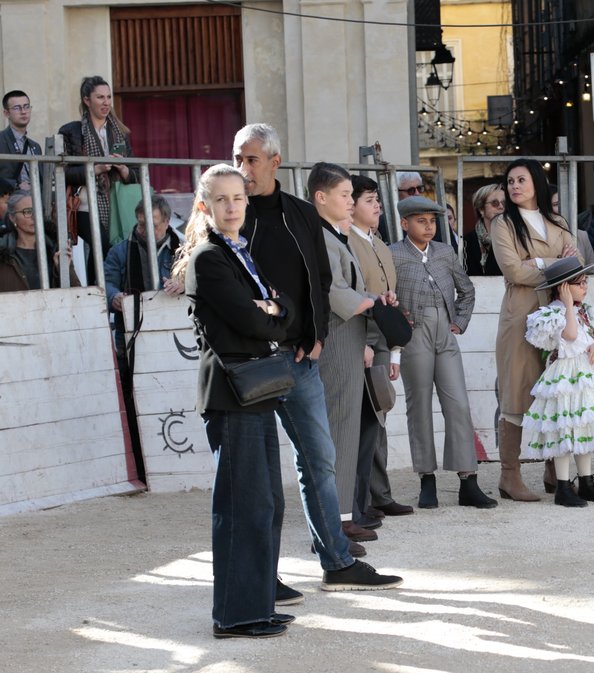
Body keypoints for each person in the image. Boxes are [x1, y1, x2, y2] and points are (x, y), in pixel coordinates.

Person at [234, 123, 401, 594]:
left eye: (251, 159)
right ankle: (264, 577)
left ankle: (336, 560)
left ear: (274, 162)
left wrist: (317, 334)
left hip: (302, 358)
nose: (243, 168)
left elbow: (319, 280)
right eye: (237, 158)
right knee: (262, 474)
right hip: (251, 363)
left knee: (320, 462)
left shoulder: (301, 214)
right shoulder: (232, 215)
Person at [175, 163, 296, 639]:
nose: (232, 207)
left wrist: (271, 309)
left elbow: (282, 309)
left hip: (255, 389)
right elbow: (256, 322)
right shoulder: (210, 257)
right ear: (205, 206)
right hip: (232, 390)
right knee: (242, 504)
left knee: (263, 501)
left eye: (239, 198)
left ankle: (257, 603)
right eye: (221, 200)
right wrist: (269, 311)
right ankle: (236, 615)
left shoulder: (239, 252)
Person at [391, 195, 496, 510]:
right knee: (419, 406)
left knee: (458, 405)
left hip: (445, 335)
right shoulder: (393, 254)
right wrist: (399, 324)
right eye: (421, 221)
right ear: (405, 223)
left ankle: (468, 480)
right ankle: (427, 479)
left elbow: (467, 290)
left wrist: (459, 323)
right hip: (415, 336)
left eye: (432, 221)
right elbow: (385, 296)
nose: (428, 226)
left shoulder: (445, 252)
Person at [309, 162, 395, 545]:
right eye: (344, 195)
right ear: (321, 198)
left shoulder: (336, 236)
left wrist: (373, 302)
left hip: (350, 337)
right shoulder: (323, 238)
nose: (349, 202)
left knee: (345, 433)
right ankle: (335, 520)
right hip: (338, 339)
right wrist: (374, 301)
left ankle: (342, 516)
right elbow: (335, 293)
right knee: (338, 433)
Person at [491, 158, 580, 502]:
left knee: (557, 392)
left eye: (521, 180)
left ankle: (554, 472)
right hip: (521, 318)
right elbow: (514, 271)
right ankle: (509, 476)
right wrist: (551, 264)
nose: (514, 186)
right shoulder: (503, 224)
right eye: (509, 181)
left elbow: (575, 264)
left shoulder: (556, 222)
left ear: (537, 183)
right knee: (516, 393)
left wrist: (540, 265)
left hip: (559, 313)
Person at [523, 256, 594, 506]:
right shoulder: (553, 314)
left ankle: (586, 481)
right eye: (578, 283)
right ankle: (563, 486)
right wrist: (567, 306)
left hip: (588, 377)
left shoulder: (588, 312)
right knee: (564, 428)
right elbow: (570, 336)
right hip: (565, 378)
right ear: (562, 287)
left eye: (585, 282)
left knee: (584, 427)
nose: (585, 287)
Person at [344, 175, 413, 527]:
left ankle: (379, 495)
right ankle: (363, 499)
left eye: (376, 200)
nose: (377, 206)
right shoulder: (349, 244)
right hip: (362, 341)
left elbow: (389, 302)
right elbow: (356, 298)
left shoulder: (380, 244)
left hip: (382, 341)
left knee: (378, 418)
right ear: (351, 204)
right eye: (369, 199)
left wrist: (395, 351)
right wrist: (367, 344)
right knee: (364, 421)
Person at [59, 76, 140, 278]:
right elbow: (63, 171)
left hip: (116, 202)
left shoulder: (120, 132)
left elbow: (136, 174)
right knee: (101, 244)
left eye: (109, 97)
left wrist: (122, 169)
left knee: (106, 248)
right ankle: (98, 291)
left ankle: (98, 292)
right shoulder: (72, 131)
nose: (106, 102)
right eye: (100, 97)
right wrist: (96, 168)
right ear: (87, 100)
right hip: (84, 203)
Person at [104, 194, 183, 315]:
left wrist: (185, 285)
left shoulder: (184, 250)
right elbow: (106, 284)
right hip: (132, 328)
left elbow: (201, 283)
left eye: (153, 226)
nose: (146, 231)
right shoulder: (119, 251)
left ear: (166, 222)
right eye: (141, 224)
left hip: (176, 324)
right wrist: (114, 297)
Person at [0, 190, 79, 291]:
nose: (34, 217)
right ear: (12, 218)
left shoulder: (56, 249)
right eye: (27, 212)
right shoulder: (3, 252)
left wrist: (64, 270)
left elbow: (77, 295)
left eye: (37, 211)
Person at [0, 90, 41, 193]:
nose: (23, 111)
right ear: (6, 113)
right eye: (17, 108)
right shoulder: (1, 139)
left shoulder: (35, 146)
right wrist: (16, 185)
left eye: (26, 106)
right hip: (9, 200)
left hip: (36, 200)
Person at [465, 183, 505, 276]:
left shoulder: (515, 237)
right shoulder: (465, 243)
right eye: (495, 203)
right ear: (481, 209)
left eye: (504, 203)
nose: (501, 207)